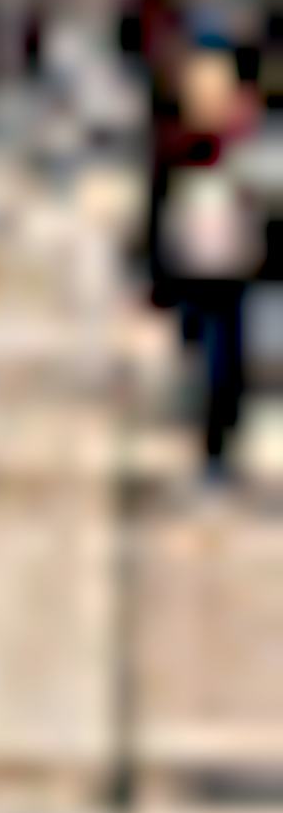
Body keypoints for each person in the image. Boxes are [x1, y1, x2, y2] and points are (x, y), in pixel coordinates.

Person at [165, 45, 271, 485]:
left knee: (216, 353)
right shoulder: (206, 145)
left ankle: (215, 445)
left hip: (220, 261)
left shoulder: (224, 144)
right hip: (217, 260)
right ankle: (217, 444)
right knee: (220, 352)